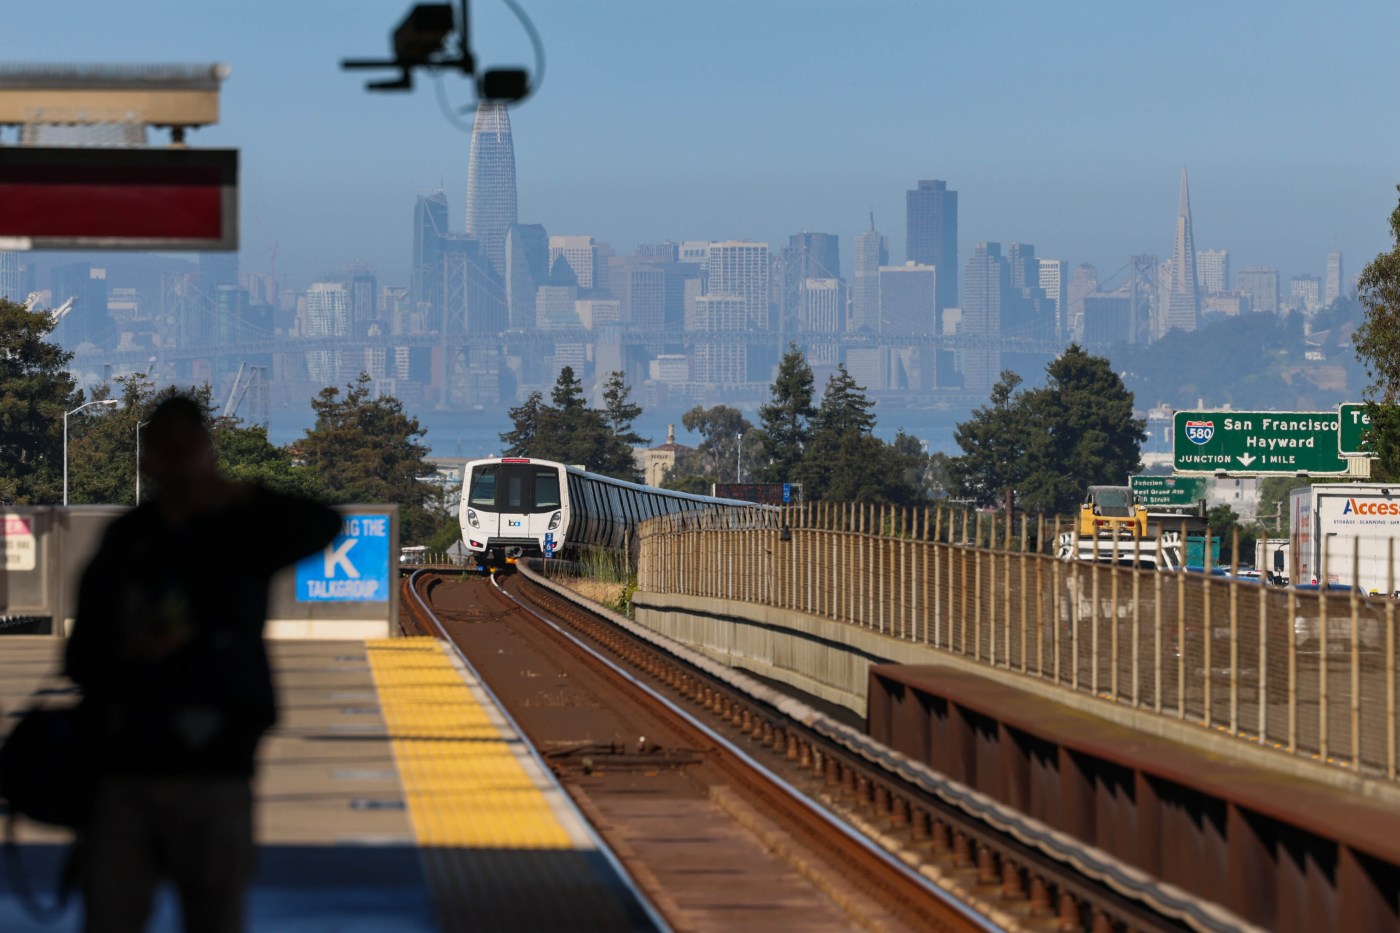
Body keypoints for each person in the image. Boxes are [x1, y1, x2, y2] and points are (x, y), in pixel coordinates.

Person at [66, 396, 341, 933]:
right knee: (152, 910)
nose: (175, 461)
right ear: (147, 460)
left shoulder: (235, 532)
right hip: (139, 760)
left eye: (185, 448)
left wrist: (231, 496)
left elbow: (320, 522)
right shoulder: (132, 540)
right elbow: (81, 656)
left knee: (197, 911)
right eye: (166, 449)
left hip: (204, 757)